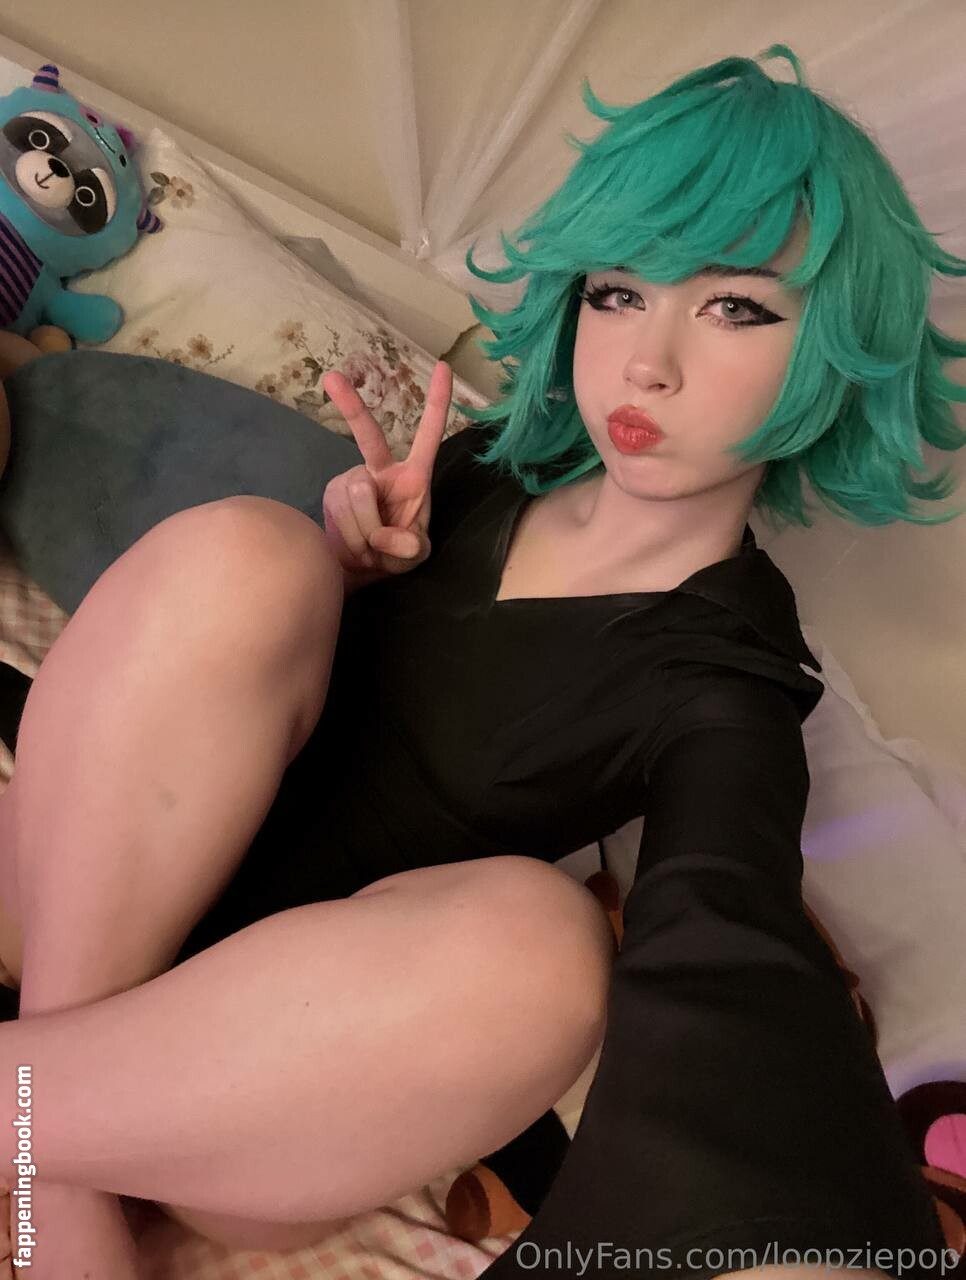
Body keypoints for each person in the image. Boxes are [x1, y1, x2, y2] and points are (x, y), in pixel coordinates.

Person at [0, 40, 964, 1280]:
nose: (648, 360)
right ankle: (53, 1138)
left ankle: (43, 1120)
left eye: (735, 307)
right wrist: (345, 570)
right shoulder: (496, 464)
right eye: (619, 291)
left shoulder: (730, 670)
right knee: (253, 552)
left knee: (548, 951)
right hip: (85, 904)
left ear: (835, 350)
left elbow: (728, 928)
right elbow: (229, 688)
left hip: (258, 1085)